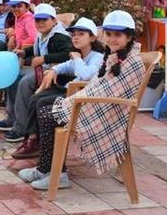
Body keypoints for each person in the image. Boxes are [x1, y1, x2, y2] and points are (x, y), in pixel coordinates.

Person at [19, 10, 145, 190]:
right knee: (45, 108)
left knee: (48, 114)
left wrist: (75, 101)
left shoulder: (131, 62)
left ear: (130, 36)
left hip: (108, 115)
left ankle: (57, 174)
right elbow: (97, 86)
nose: (112, 39)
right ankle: (45, 169)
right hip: (96, 105)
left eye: (118, 35)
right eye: (108, 34)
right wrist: (72, 97)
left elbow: (108, 92)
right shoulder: (114, 57)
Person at [12, 17, 104, 160]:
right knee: (36, 98)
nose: (76, 38)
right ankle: (32, 138)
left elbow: (86, 75)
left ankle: (37, 142)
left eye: (81, 34)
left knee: (42, 102)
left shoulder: (96, 57)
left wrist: (77, 58)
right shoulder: (80, 54)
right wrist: (54, 70)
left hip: (81, 98)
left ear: (92, 37)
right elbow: (66, 65)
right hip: (71, 91)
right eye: (74, 35)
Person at [0, 3, 73, 144]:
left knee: (24, 82)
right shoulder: (42, 35)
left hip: (56, 73)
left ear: (54, 20)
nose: (40, 23)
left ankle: (21, 128)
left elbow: (67, 54)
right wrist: (24, 52)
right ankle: (12, 118)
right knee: (14, 78)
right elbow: (37, 49)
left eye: (44, 20)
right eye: (37, 20)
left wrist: (45, 59)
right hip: (43, 70)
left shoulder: (59, 36)